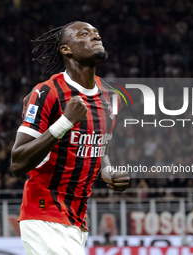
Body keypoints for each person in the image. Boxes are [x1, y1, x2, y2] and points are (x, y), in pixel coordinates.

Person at [10, 21, 130, 254]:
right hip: (44, 214)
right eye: (85, 34)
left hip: (77, 219)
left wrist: (107, 172)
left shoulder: (111, 96)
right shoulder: (46, 92)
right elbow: (18, 162)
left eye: (97, 33)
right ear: (66, 49)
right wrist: (64, 122)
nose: (95, 37)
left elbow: (100, 146)